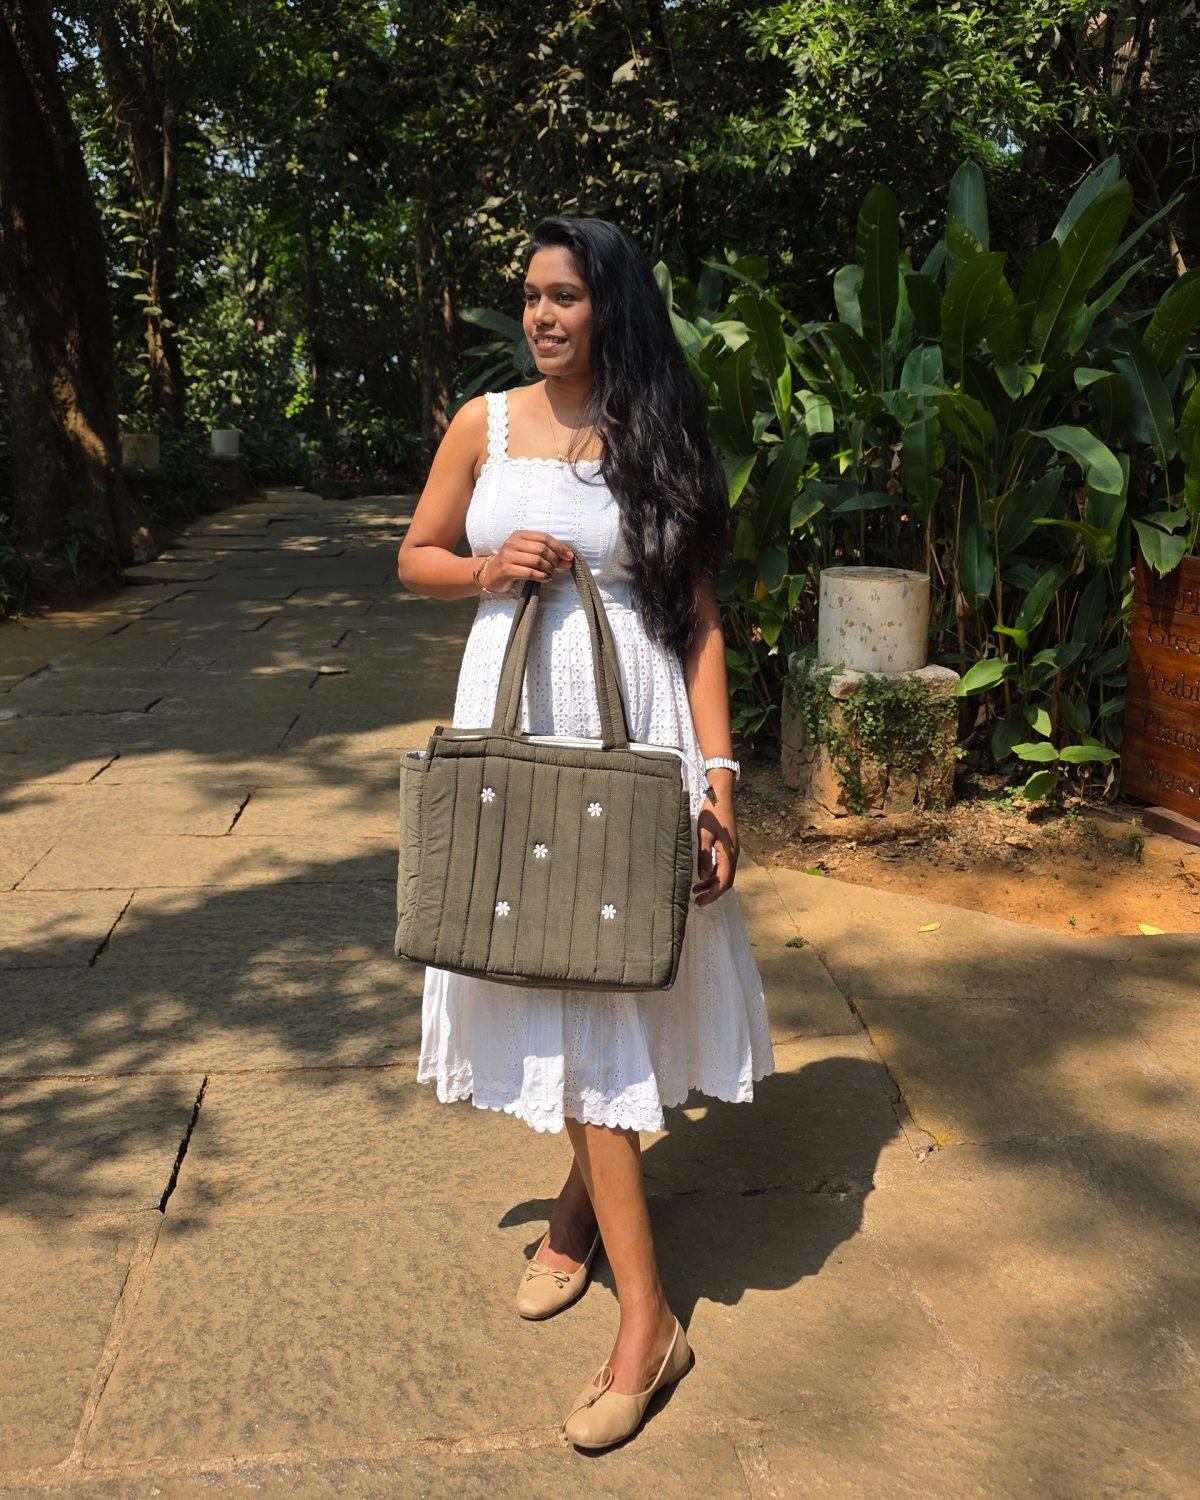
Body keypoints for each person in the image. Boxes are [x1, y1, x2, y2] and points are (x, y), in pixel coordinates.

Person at [396, 215, 774, 1451]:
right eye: (530, 298)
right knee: (552, 976)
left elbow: (701, 619)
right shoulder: (485, 425)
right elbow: (414, 557)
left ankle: (647, 1321)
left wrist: (717, 779)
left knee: (602, 991)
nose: (542, 317)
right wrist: (488, 567)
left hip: (637, 727)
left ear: (611, 307)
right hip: (518, 722)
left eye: (565, 297)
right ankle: (583, 1214)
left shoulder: (656, 433)